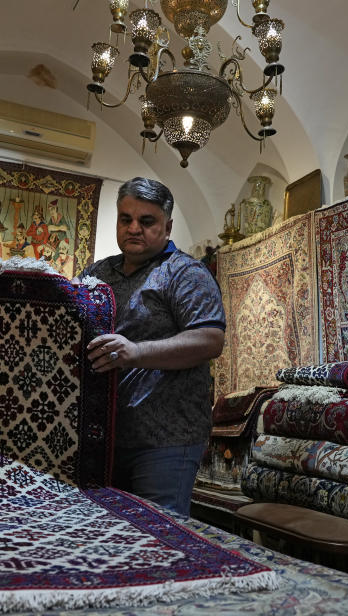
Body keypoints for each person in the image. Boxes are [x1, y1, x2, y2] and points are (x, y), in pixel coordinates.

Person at [80, 177, 225, 516]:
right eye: (125, 219)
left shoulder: (185, 273)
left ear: (167, 225)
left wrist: (136, 352)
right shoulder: (97, 274)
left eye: (146, 222)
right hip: (104, 436)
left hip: (167, 440)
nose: (134, 228)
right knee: (107, 532)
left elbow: (210, 339)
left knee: (160, 534)